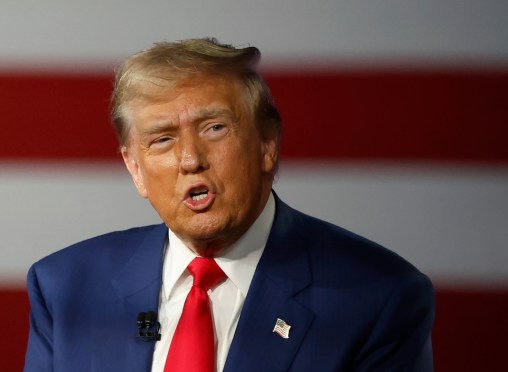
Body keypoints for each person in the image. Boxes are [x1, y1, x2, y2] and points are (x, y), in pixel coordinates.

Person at [24, 38, 435, 372]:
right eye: (162, 139)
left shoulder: (378, 296)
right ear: (135, 169)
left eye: (214, 128)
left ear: (266, 145)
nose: (190, 159)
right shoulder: (65, 286)